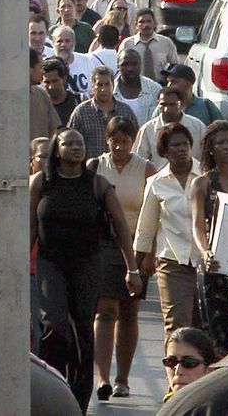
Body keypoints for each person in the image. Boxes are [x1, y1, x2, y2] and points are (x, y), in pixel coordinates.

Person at [30, 128, 140, 413]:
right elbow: (28, 227)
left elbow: (121, 229)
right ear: (57, 149)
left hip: (87, 264)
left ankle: (79, 397)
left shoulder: (97, 184)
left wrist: (132, 269)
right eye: (69, 143)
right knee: (54, 327)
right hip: (50, 263)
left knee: (82, 330)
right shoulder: (40, 183)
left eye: (80, 143)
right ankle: (51, 386)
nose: (76, 148)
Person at [90, 114, 152, 401]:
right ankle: (102, 377)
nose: (120, 147)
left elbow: (155, 214)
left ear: (133, 141)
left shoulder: (146, 169)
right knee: (105, 310)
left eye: (125, 142)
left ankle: (123, 379)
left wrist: (148, 254)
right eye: (115, 141)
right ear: (108, 140)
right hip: (103, 247)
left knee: (129, 313)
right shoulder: (96, 167)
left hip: (138, 247)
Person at [134, 123, 202, 342]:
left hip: (206, 261)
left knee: (203, 326)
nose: (181, 149)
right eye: (175, 145)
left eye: (185, 144)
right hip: (172, 261)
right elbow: (146, 225)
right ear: (164, 151)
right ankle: (175, 374)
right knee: (176, 326)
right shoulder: (156, 183)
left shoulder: (206, 176)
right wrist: (136, 266)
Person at [190, 121, 228, 356]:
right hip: (215, 267)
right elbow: (197, 225)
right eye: (220, 143)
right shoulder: (201, 183)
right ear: (210, 148)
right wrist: (205, 252)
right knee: (217, 336)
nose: (227, 147)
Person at [161, 327, 219, 403]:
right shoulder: (168, 407)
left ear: (209, 370)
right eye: (171, 362)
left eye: (189, 362)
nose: (178, 371)